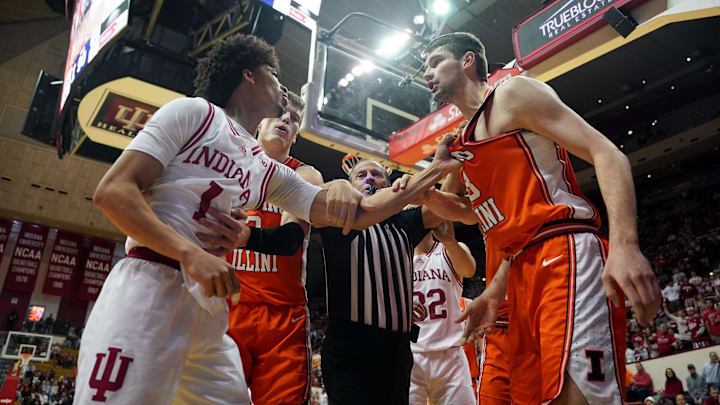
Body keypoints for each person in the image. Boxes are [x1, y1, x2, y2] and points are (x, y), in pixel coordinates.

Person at [76, 33, 461, 404]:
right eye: (275, 75)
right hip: (151, 282)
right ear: (250, 74)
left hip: (209, 308)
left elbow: (353, 215)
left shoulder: (263, 168)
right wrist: (190, 254)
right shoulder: (193, 112)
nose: (282, 88)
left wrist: (431, 172)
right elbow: (113, 192)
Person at [424, 32, 660, 404]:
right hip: (518, 272)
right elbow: (479, 217)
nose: (427, 73)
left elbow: (606, 152)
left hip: (563, 250)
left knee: (578, 397)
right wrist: (494, 289)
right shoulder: (464, 142)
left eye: (435, 61)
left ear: (468, 60)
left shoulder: (512, 94)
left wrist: (626, 245)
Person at [318, 158, 466, 405]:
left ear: (389, 185)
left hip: (396, 350)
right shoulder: (336, 219)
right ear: (350, 185)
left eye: (376, 174)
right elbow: (315, 193)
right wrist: (334, 185)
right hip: (350, 348)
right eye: (361, 174)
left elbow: (446, 199)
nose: (369, 179)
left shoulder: (404, 224)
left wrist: (459, 158)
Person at [224, 91, 320, 405]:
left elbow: (291, 239)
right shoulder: (226, 164)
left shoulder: (304, 174)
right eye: (280, 113)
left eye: (293, 119)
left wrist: (245, 238)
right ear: (261, 119)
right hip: (227, 309)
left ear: (297, 133)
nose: (286, 121)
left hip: (283, 317)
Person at [408, 221, 476, 404]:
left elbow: (469, 270)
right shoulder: (396, 258)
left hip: (451, 357)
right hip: (410, 357)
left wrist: (450, 242)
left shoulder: (449, 250)